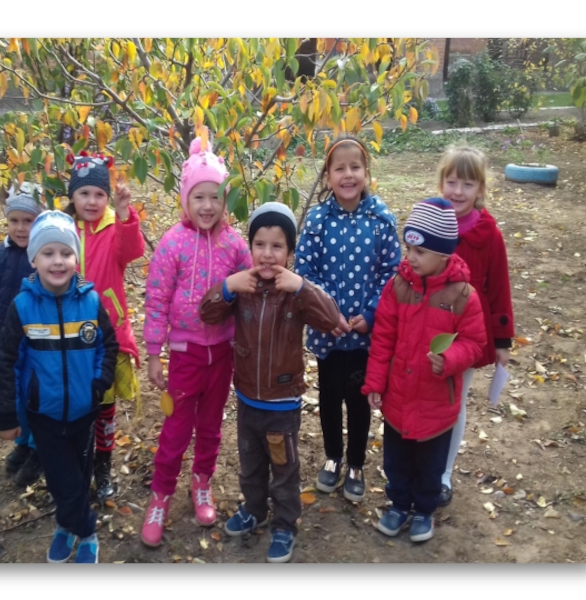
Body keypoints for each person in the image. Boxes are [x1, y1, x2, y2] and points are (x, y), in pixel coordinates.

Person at [200, 202, 340, 562]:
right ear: (250, 247)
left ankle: (284, 525)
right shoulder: (242, 287)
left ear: (290, 252)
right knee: (250, 465)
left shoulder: (294, 293)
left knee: (283, 469)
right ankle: (255, 509)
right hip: (248, 399)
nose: (266, 254)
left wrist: (302, 286)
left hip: (282, 404)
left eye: (277, 246)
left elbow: (330, 319)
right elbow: (207, 313)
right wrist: (227, 286)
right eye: (259, 244)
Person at [141, 137, 253, 547]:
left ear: (225, 200)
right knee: (176, 428)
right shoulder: (173, 243)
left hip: (222, 352)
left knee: (210, 425)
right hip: (186, 355)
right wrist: (155, 353)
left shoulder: (234, 244)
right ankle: (161, 494)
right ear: (185, 200)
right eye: (198, 197)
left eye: (215, 197)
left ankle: (202, 480)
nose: (207, 206)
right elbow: (156, 299)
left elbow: (251, 289)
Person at [0, 210, 118, 563]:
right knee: (62, 477)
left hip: (84, 411)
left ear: (76, 258)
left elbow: (108, 346)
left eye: (66, 252)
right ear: (34, 259)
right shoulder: (23, 307)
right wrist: (7, 414)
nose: (58, 261)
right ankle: (87, 530)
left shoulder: (91, 302)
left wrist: (98, 384)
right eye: (48, 253)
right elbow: (7, 361)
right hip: (43, 415)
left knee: (78, 473)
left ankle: (66, 525)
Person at [362, 198, 486, 542]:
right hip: (398, 398)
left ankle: (424, 510)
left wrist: (451, 358)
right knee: (397, 460)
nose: (411, 257)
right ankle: (399, 504)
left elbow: (475, 343)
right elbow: (383, 338)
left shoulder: (463, 296)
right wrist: (375, 383)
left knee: (430, 463)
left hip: (436, 402)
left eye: (420, 251)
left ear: (443, 254)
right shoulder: (398, 286)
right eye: (408, 248)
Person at [294, 134, 401, 502]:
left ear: (366, 172)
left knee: (358, 400)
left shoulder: (380, 219)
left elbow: (391, 273)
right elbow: (306, 270)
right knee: (329, 397)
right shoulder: (318, 220)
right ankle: (332, 457)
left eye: (355, 167)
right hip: (329, 334)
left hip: (364, 336)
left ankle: (355, 463)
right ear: (328, 177)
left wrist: (371, 313)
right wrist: (328, 315)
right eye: (339, 168)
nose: (348, 174)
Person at [435, 145, 515, 507]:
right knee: (428, 396)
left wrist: (502, 340)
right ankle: (421, 463)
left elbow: (499, 289)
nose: (458, 191)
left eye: (467, 184)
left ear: (480, 189)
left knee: (455, 400)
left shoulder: (489, 235)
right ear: (442, 182)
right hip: (431, 327)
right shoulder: (432, 222)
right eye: (452, 182)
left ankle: (443, 472)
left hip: (469, 334)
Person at [64, 151, 145, 502]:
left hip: (107, 335)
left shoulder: (114, 228)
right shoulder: (63, 229)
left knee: (105, 406)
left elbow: (132, 251)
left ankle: (103, 465)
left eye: (99, 194)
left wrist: (126, 215)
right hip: (69, 334)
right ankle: (79, 463)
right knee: (79, 404)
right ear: (73, 196)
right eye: (84, 193)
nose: (92, 201)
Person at [0, 183, 44, 488]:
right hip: (6, 339)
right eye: (14, 220)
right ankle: (23, 441)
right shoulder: (2, 253)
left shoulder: (42, 256)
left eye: (28, 221)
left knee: (34, 395)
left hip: (33, 340)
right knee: (15, 393)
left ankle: (37, 449)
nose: (20, 228)